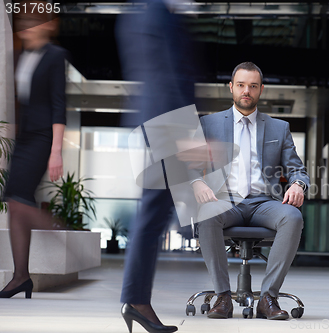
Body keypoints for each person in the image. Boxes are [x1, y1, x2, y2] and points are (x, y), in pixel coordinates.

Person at [191, 62, 309, 320]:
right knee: (206, 212)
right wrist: (196, 182)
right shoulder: (208, 124)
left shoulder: (279, 128)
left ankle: (268, 297)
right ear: (231, 87)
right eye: (242, 85)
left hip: (263, 202)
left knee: (293, 217)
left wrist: (298, 184)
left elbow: (297, 169)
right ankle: (223, 297)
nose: (247, 91)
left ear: (261, 90)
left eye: (253, 86)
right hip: (224, 201)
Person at [116, 0, 196, 332]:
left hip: (164, 124)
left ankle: (136, 301)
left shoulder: (143, 12)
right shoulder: (156, 12)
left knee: (155, 211)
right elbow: (165, 74)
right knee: (155, 214)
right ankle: (135, 301)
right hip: (167, 125)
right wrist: (184, 133)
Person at [0, 1, 66, 299]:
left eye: (30, 19)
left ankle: (55, 228)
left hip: (42, 138)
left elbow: (58, 105)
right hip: (25, 138)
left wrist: (56, 151)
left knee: (16, 200)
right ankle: (21, 277)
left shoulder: (55, 56)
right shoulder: (21, 56)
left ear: (45, 24)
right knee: (15, 204)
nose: (24, 24)